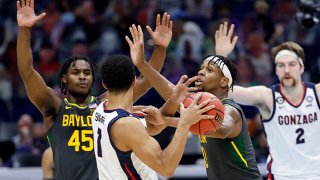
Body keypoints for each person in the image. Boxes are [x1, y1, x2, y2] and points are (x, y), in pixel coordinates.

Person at [16, 0, 172, 179]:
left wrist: (160, 48)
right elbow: (27, 72)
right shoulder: (54, 107)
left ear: (93, 79)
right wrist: (24, 30)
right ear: (64, 79)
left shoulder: (107, 105)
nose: (82, 76)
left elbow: (145, 81)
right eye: (76, 72)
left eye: (87, 72)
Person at [130, 22, 262, 180]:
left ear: (224, 82)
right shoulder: (202, 107)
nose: (201, 72)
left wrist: (164, 119)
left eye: (209, 70)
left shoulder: (230, 109)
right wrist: (141, 64)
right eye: (202, 68)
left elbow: (220, 128)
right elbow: (172, 93)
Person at [92, 54, 215, 179]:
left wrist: (173, 101)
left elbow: (152, 128)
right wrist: (184, 123)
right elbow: (166, 168)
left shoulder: (101, 109)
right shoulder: (127, 124)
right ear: (134, 81)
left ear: (104, 84)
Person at [229, 41, 320, 179]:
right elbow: (225, 91)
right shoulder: (267, 97)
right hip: (281, 176)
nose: (287, 70)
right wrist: (221, 56)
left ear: (301, 68)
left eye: (292, 64)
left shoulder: (316, 93)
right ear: (276, 70)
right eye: (281, 65)